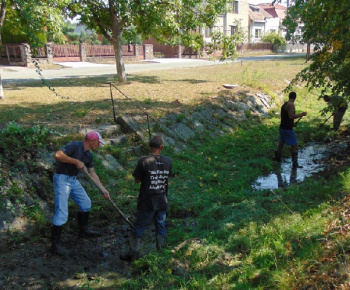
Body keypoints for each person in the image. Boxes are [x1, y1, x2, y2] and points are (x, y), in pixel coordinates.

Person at [51, 131, 110, 256]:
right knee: (62, 212)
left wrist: (103, 189)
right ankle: (55, 245)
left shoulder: (88, 155)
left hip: (72, 180)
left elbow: (92, 173)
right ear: (91, 141)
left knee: (85, 203)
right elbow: (58, 155)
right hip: (62, 179)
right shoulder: (74, 146)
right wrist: (75, 161)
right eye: (98, 143)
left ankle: (84, 230)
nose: (99, 146)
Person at [120, 135, 172, 262]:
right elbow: (166, 177)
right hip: (162, 199)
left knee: (139, 227)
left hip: (147, 201)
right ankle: (162, 251)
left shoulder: (143, 161)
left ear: (150, 146)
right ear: (162, 147)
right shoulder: (168, 161)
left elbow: (137, 180)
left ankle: (133, 255)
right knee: (161, 225)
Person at [274, 92, 307, 168]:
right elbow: (290, 116)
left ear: (289, 97)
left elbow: (286, 117)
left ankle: (277, 158)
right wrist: (301, 115)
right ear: (295, 98)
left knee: (281, 143)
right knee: (294, 145)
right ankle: (295, 164)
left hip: (282, 128)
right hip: (288, 130)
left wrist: (292, 124)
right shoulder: (291, 105)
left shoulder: (285, 104)